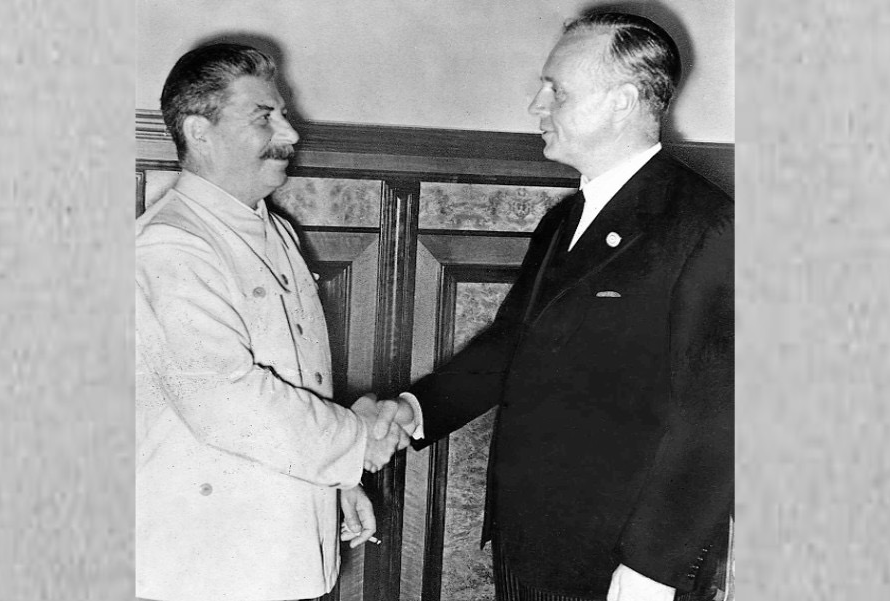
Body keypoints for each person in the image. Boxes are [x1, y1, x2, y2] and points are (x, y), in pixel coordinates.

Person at [374, 12, 733, 601]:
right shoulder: (562, 221)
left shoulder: (709, 225)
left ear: (622, 102)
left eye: (556, 90)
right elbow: (512, 346)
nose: (535, 104)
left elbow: (715, 421)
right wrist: (415, 410)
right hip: (532, 543)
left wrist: (652, 571)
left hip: (622, 566)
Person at [135, 43, 410, 601]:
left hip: (277, 544)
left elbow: (296, 378)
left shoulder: (274, 230)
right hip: (206, 562)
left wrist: (337, 481)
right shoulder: (171, 245)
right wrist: (355, 442)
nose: (290, 133)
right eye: (264, 117)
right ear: (199, 132)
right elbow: (228, 401)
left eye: (283, 114)